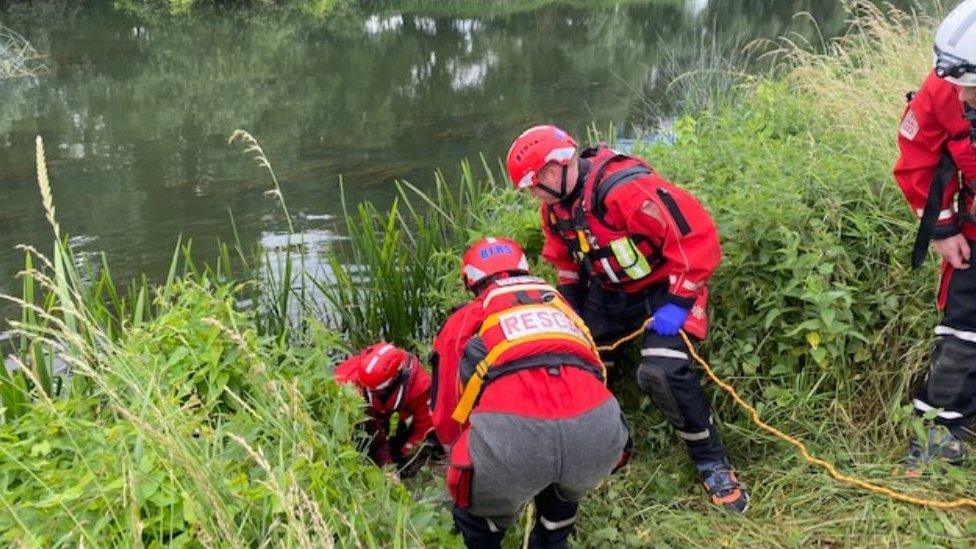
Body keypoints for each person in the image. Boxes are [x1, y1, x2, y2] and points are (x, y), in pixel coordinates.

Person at [505, 125, 748, 512]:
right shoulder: (555, 211)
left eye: (534, 185)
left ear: (554, 169)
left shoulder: (624, 190)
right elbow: (566, 262)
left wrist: (679, 302)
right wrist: (573, 316)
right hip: (610, 294)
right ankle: (614, 444)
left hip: (665, 288)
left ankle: (711, 461)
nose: (533, 194)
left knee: (661, 372)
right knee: (579, 365)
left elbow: (695, 240)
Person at [431, 236, 629, 549]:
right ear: (525, 269)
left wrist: (460, 457)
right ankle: (553, 538)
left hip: (514, 438)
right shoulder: (562, 308)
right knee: (566, 489)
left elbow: (446, 408)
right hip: (598, 428)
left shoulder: (466, 319)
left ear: (470, 281)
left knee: (474, 515)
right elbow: (595, 367)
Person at [894, 0, 976, 471]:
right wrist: (942, 229)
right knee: (962, 331)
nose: (962, 100)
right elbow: (918, 156)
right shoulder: (946, 87)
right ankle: (936, 436)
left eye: (973, 90)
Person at [334, 342, 435, 472]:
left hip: (396, 416)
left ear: (395, 379)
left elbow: (424, 425)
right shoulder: (346, 381)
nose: (372, 392)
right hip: (364, 418)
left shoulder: (420, 386)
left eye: (377, 391)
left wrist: (403, 453)